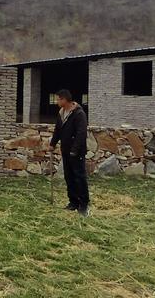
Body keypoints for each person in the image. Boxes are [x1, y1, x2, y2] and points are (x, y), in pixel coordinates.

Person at [48, 89, 90, 217]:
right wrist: (52, 143)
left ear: (64, 99)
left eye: (58, 99)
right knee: (69, 176)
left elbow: (81, 133)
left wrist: (75, 150)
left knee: (79, 177)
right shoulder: (61, 113)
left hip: (76, 152)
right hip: (65, 150)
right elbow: (58, 130)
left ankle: (84, 205)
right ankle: (73, 202)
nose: (56, 102)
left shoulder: (79, 114)